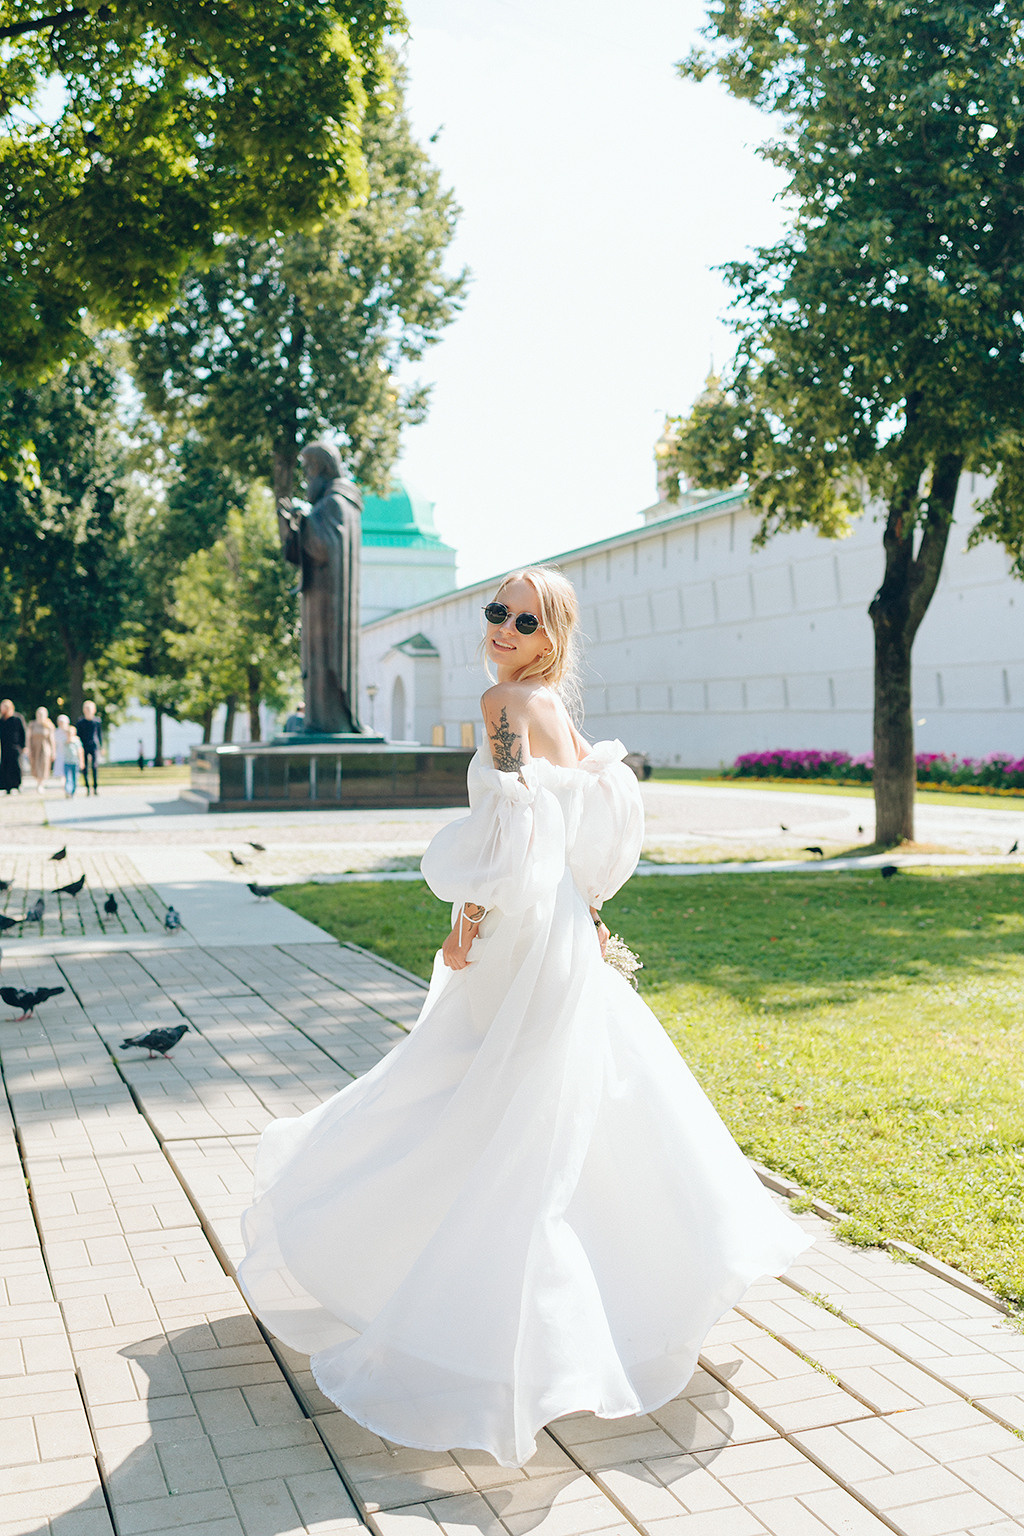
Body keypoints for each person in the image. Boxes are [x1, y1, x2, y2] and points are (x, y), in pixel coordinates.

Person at [238, 566, 812, 1469]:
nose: (501, 626)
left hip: (520, 938)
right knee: (554, 1111)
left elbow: (507, 833)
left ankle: (464, 1314)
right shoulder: (561, 715)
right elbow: (587, 834)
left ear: (551, 636)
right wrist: (578, 910)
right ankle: (593, 1305)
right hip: (562, 936)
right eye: (494, 611)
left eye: (522, 617)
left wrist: (463, 918)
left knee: (479, 1100)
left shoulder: (504, 703)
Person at [27, 707, 56, 794]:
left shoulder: (49, 725)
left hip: (45, 748)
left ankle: (41, 783)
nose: (40, 716)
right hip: (34, 748)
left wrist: (53, 751)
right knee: (35, 765)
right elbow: (28, 738)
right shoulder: (32, 725)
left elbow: (52, 739)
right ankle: (38, 782)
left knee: (43, 764)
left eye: (42, 714)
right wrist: (28, 748)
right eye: (38, 714)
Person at [0, 699, 26, 794]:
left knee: (16, 766)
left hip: (16, 747)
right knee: (5, 766)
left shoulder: (17, 718)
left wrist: (24, 746)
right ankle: (7, 786)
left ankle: (17, 785)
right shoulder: (2, 720)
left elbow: (23, 732)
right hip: (4, 747)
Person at [76, 699, 102, 794]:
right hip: (83, 746)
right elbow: (78, 736)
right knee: (85, 767)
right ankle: (87, 787)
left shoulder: (97, 721)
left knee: (94, 766)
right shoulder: (80, 722)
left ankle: (95, 787)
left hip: (94, 745)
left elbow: (99, 735)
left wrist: (101, 746)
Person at [63, 723, 84, 797]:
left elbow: (80, 752)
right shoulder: (65, 742)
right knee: (68, 777)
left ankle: (73, 791)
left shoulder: (77, 742)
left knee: (75, 777)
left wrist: (81, 762)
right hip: (67, 762)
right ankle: (68, 790)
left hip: (75, 762)